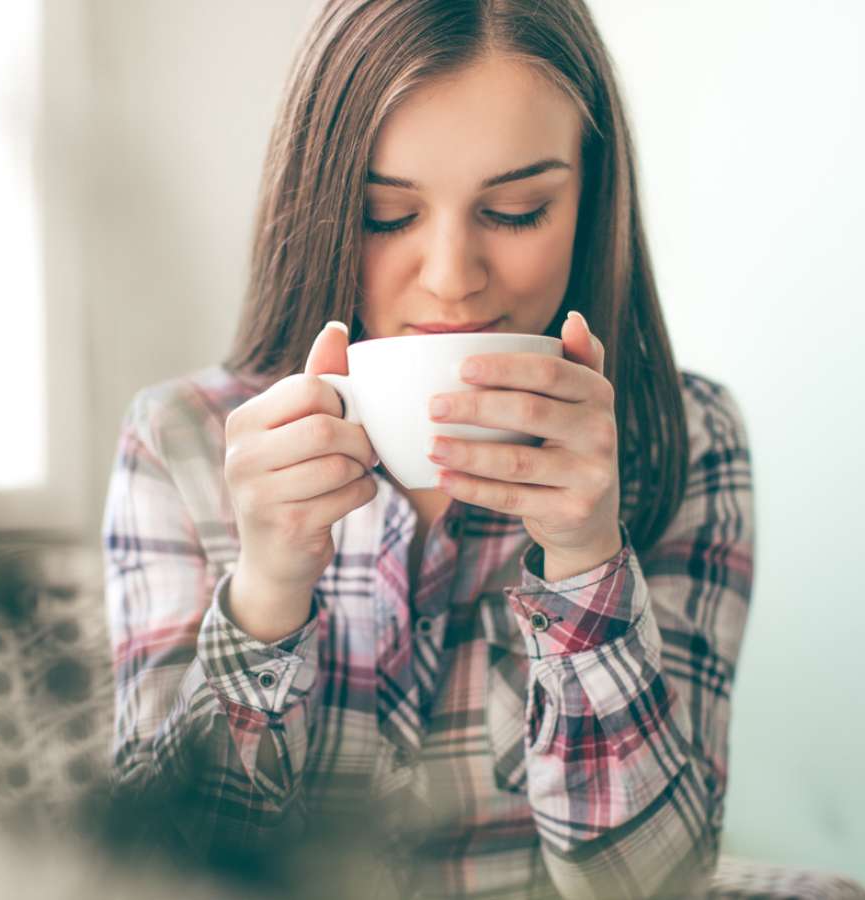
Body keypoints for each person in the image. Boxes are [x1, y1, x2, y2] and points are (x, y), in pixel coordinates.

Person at [103, 1, 754, 897]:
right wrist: (266, 592)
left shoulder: (678, 440)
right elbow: (156, 875)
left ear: (591, 198)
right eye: (383, 214)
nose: (451, 276)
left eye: (518, 210)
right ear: (320, 202)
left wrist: (585, 563)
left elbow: (654, 885)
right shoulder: (182, 443)